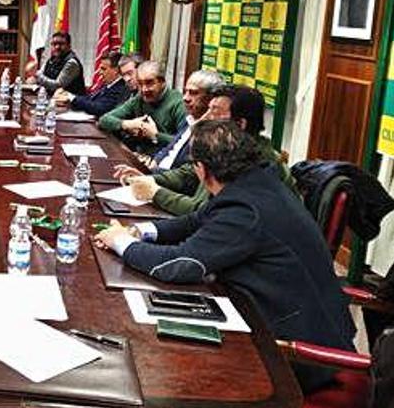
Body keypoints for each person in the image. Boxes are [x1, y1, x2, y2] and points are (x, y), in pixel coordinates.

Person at [94, 120, 356, 393]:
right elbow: (195, 220)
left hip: (297, 354)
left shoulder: (244, 209)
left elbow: (181, 265)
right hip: (296, 321)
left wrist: (120, 242)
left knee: (173, 373)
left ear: (202, 169)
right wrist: (141, 231)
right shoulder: (258, 181)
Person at [115, 85, 297, 216]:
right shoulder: (228, 148)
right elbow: (188, 173)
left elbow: (202, 211)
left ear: (240, 124)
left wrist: (155, 192)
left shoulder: (255, 162)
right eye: (208, 110)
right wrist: (148, 178)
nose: (204, 119)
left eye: (215, 113)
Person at [98, 60, 185, 155]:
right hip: (140, 156)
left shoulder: (178, 103)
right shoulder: (139, 99)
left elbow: (185, 145)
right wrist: (128, 124)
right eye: (140, 84)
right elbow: (104, 120)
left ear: (162, 82)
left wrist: (155, 135)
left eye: (149, 83)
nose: (144, 89)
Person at [144, 69, 223, 171]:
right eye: (185, 92)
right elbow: (171, 148)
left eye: (193, 93)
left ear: (211, 98)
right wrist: (154, 162)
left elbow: (184, 174)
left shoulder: (212, 133)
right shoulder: (189, 119)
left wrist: (152, 176)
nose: (185, 98)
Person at [52, 50, 131, 117]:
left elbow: (99, 108)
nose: (100, 72)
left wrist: (71, 98)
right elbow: (89, 99)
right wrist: (68, 98)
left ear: (116, 70)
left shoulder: (121, 88)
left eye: (103, 69)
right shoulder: (107, 84)